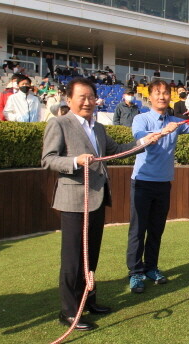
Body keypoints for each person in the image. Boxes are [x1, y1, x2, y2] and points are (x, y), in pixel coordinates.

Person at [42, 77, 161, 331]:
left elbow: (117, 150)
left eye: (91, 97)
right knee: (74, 259)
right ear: (69, 99)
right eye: (81, 97)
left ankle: (89, 301)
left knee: (91, 256)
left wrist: (143, 142)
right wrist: (76, 161)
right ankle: (69, 311)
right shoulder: (59, 124)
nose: (87, 102)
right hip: (74, 200)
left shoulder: (98, 128)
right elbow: (49, 159)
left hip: (97, 198)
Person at [127, 79, 189, 293]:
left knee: (156, 229)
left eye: (166, 93)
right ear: (151, 96)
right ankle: (135, 273)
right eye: (158, 93)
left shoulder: (175, 121)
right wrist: (164, 131)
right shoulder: (141, 119)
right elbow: (140, 139)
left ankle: (151, 268)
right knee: (138, 230)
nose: (162, 96)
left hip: (163, 184)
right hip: (142, 183)